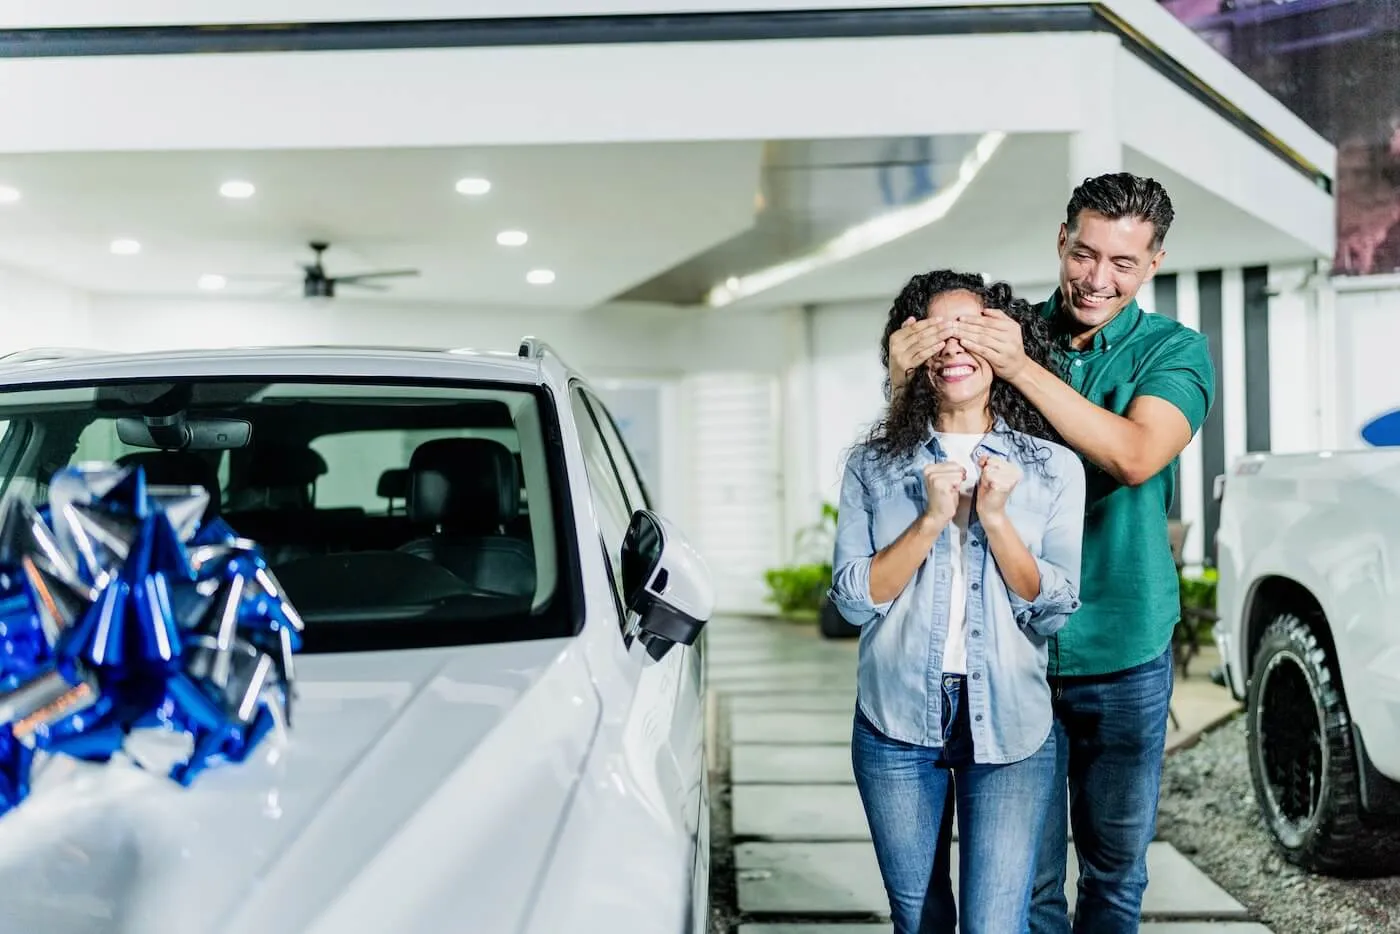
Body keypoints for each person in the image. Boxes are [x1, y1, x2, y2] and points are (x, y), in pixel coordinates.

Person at [885, 173, 1217, 933]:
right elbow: (918, 438)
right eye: (1084, 253)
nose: (1098, 278)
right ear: (1060, 243)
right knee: (1023, 884)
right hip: (1011, 651)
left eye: (1123, 264)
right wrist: (902, 369)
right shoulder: (1010, 329)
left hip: (1124, 647)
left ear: (1155, 264)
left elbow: (1134, 456)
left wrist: (1020, 370)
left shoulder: (1174, 351)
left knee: (1113, 872)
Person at [829, 270, 1087, 934]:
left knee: (994, 924)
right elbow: (854, 604)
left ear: (1002, 344)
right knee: (919, 920)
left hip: (1010, 720)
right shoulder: (873, 466)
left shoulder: (1053, 467)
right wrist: (928, 520)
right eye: (935, 332)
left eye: (969, 328)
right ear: (909, 350)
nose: (953, 347)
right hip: (894, 723)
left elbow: (1054, 609)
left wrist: (995, 519)